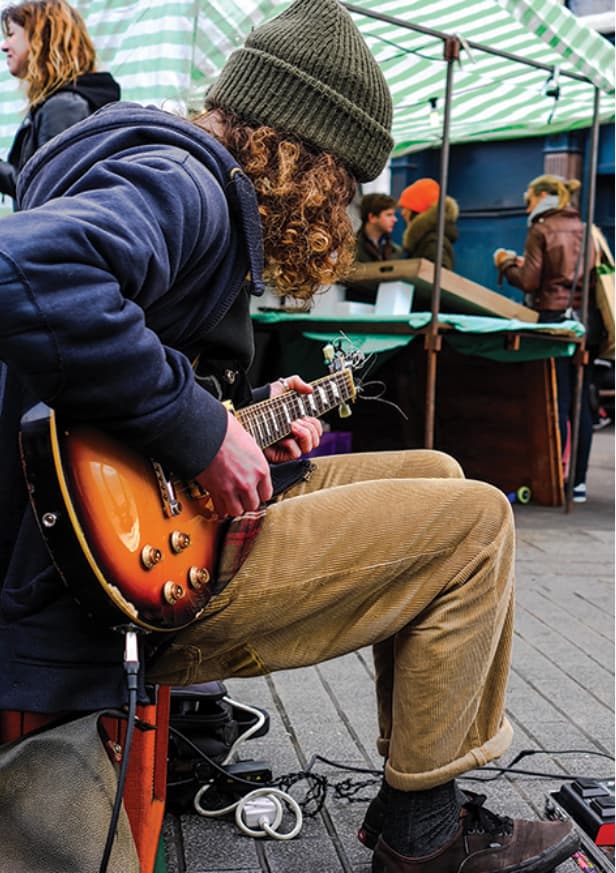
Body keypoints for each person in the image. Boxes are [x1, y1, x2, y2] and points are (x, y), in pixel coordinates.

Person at [0, 1, 580, 871]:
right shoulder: (188, 183)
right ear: (301, 150)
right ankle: (423, 839)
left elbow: (127, 366)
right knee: (477, 522)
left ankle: (422, 800)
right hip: (99, 583)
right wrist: (200, 431)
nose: (340, 212)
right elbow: (27, 268)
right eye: (342, 184)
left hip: (120, 530)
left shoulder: (165, 170)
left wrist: (248, 415)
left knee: (440, 470)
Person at [494, 174, 598, 503]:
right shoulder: (586, 228)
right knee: (581, 402)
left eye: (529, 199)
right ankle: (577, 482)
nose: (527, 206)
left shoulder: (541, 228)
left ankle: (552, 478)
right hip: (584, 322)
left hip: (553, 321)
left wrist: (506, 262)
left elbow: (528, 281)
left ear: (543, 196)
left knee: (556, 400)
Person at [0, 0, 120, 202]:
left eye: (11, 35)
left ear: (40, 38)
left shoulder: (64, 106)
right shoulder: (64, 102)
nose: (4, 46)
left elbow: (48, 191)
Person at [345, 192, 402, 304]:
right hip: (357, 309)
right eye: (389, 215)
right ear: (372, 217)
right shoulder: (350, 248)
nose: (395, 219)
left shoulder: (396, 251)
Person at [399, 177, 459, 269]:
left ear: (417, 211)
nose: (403, 213)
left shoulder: (432, 241)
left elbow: (440, 277)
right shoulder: (429, 239)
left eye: (407, 208)